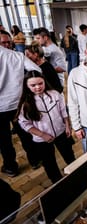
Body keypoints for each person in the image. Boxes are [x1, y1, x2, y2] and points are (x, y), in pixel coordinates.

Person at [18, 71, 75, 183]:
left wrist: (67, 126)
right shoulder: (26, 104)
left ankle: (77, 172)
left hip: (61, 132)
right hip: (42, 140)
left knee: (69, 155)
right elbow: (25, 124)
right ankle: (57, 183)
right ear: (26, 86)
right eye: (33, 85)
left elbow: (63, 111)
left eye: (40, 83)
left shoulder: (55, 94)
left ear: (44, 81)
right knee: (49, 163)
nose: (38, 87)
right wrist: (42, 135)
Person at [0, 44, 41, 177]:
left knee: (4, 139)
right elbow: (37, 70)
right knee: (25, 133)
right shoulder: (16, 55)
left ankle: (11, 167)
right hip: (17, 101)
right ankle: (35, 160)